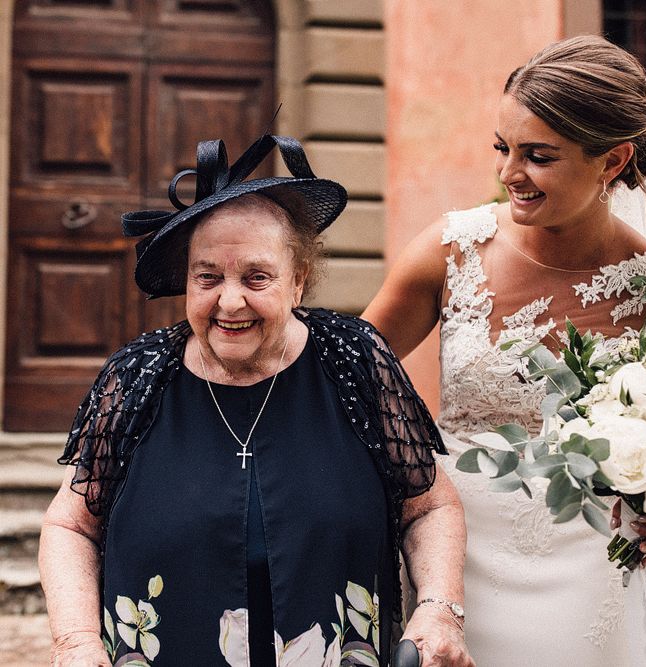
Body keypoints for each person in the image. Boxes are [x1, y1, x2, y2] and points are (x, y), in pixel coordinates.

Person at [39, 135, 475, 667]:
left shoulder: (355, 361)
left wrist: (437, 608)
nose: (229, 300)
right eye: (207, 277)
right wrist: (76, 642)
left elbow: (429, 506)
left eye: (256, 277)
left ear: (299, 282)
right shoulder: (137, 377)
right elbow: (71, 525)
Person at [364, 35, 646, 666]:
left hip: (590, 583)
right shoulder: (451, 252)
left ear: (612, 162)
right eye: (502, 148)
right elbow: (344, 379)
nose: (509, 174)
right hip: (452, 569)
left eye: (537, 156)